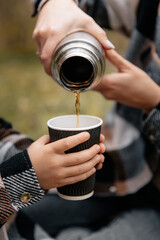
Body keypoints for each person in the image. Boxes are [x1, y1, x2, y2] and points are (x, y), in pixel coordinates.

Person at [14, 0, 160, 239]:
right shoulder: (148, 7)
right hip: (122, 170)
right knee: (22, 213)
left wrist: (153, 102)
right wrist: (54, 4)